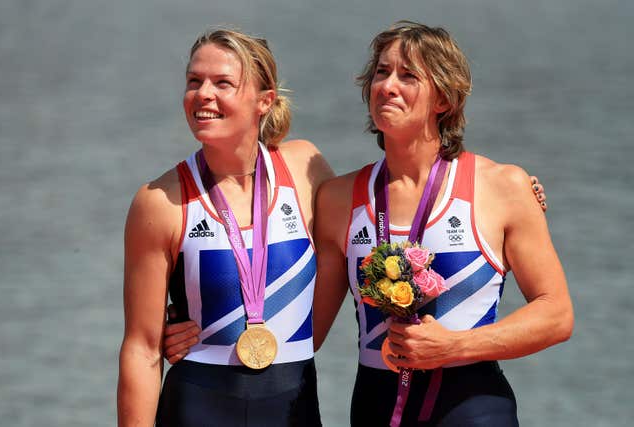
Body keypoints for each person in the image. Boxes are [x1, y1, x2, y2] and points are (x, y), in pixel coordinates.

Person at [158, 22, 560, 426]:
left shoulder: (502, 187)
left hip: (471, 410)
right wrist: (190, 329)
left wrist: (455, 346)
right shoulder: (339, 198)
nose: (387, 86)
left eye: (408, 75)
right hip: (375, 409)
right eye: (381, 73)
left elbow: (556, 314)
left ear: (444, 97)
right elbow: (298, 324)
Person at [117, 28, 334, 427]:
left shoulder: (307, 170)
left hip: (296, 409)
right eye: (194, 81)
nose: (203, 94)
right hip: (197, 407)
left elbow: (361, 250)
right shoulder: (160, 201)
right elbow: (142, 350)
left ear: (264, 101)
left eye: (223, 83)